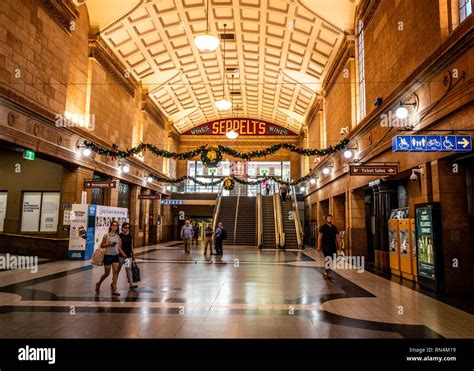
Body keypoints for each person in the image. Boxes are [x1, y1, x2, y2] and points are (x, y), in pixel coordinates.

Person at [95, 220, 123, 296]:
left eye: (116, 225)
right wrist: (109, 244)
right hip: (107, 256)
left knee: (116, 271)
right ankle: (99, 283)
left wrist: (122, 253)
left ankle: (115, 288)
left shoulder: (118, 236)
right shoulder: (106, 235)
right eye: (113, 225)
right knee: (107, 273)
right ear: (111, 226)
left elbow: (119, 246)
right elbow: (102, 245)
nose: (115, 226)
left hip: (115, 255)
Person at [317, 215, 341, 280]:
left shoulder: (334, 228)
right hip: (325, 245)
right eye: (328, 218)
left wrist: (339, 246)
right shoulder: (323, 227)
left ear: (332, 219)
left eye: (331, 218)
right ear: (326, 219)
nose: (330, 219)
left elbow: (337, 237)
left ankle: (329, 272)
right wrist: (319, 246)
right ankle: (325, 272)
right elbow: (319, 237)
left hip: (333, 246)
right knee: (327, 259)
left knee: (331, 260)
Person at [118, 222, 138, 290]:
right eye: (125, 228)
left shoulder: (130, 236)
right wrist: (122, 253)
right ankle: (113, 283)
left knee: (128, 270)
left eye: (128, 228)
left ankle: (131, 284)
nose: (127, 229)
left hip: (127, 257)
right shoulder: (119, 236)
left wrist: (133, 256)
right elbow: (118, 246)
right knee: (117, 270)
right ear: (122, 228)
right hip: (120, 256)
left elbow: (131, 247)